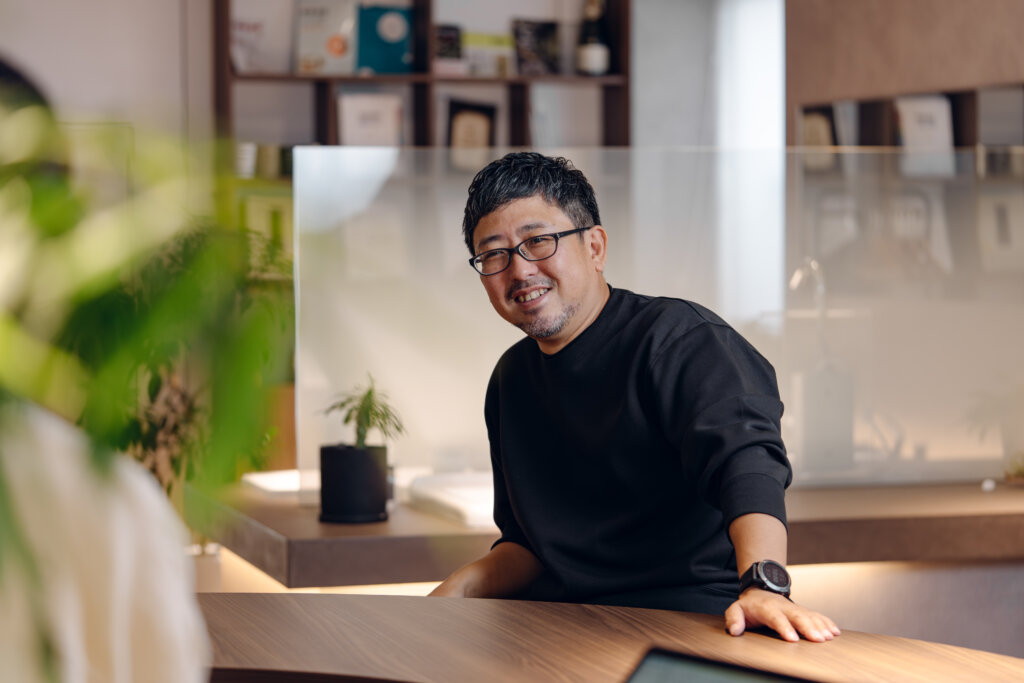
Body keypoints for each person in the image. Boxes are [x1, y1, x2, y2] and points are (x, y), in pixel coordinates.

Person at [429, 152, 840, 643]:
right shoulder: (511, 378)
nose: (519, 270)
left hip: (687, 620)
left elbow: (748, 466)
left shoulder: (680, 339)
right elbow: (529, 546)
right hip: (559, 628)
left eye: (538, 241)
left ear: (595, 247)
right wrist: (456, 590)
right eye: (494, 254)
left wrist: (764, 585)